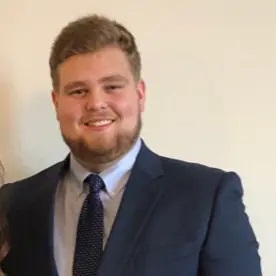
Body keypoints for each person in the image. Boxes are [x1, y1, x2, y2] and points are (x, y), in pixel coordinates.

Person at [0, 14, 262, 276]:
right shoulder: (14, 203)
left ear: (140, 95)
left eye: (112, 86)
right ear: (56, 103)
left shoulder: (207, 198)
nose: (96, 103)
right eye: (78, 91)